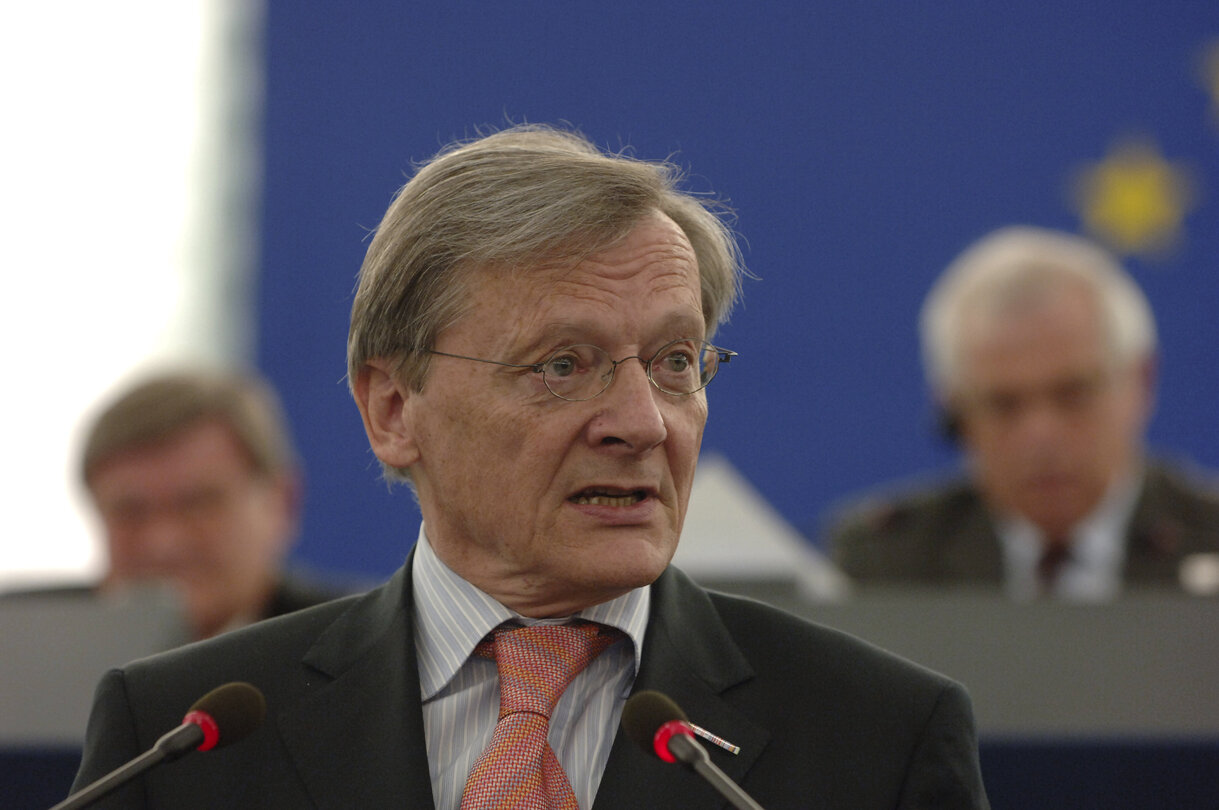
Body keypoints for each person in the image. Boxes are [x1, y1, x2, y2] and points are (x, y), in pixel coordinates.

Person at [70, 125, 988, 809]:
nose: (641, 423)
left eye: (675, 362)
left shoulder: (880, 739)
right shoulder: (180, 739)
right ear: (393, 410)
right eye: (561, 365)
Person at [827, 226, 1219, 600]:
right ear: (953, 408)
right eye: (1003, 404)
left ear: (1141, 381)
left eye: (1073, 393)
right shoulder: (889, 563)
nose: (1040, 435)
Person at [81, 369, 346, 640]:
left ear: (282, 504)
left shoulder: (360, 646)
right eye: (130, 512)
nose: (163, 543)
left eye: (197, 504)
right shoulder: (47, 654)